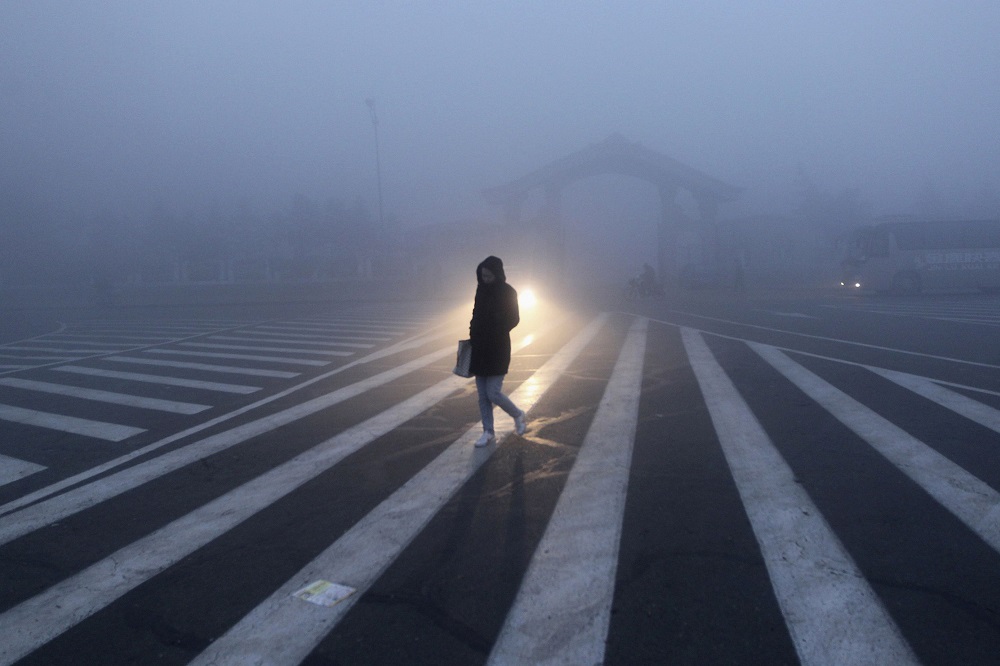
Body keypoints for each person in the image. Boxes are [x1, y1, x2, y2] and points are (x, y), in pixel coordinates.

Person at [468, 255, 527, 447]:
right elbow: (475, 314)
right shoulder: (481, 290)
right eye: (483, 275)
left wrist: (495, 325)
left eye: (488, 276)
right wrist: (473, 331)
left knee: (493, 392)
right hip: (479, 347)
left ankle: (517, 414)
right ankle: (488, 431)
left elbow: (514, 318)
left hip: (498, 347)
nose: (485, 279)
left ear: (497, 274)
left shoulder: (508, 292)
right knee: (482, 396)